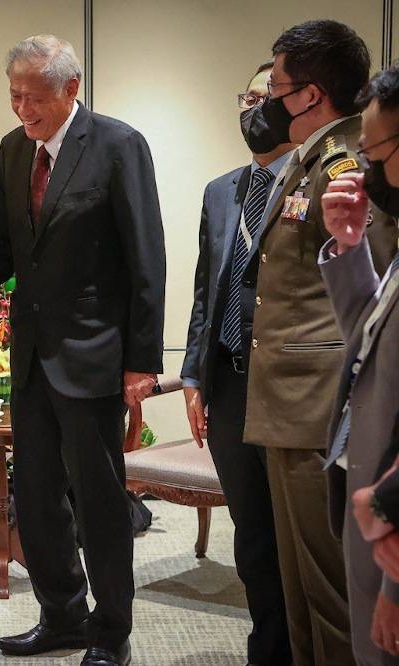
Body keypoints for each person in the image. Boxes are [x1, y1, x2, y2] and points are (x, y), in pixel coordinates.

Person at [0, 35, 165, 666]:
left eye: (32, 96)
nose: (21, 109)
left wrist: (142, 360)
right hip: (30, 359)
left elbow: (146, 258)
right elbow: (1, 248)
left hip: (94, 356)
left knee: (99, 503)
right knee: (35, 497)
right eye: (13, 96)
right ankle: (63, 616)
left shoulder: (117, 145)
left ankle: (111, 632)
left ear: (71, 89)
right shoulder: (13, 149)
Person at [241, 19, 398, 665]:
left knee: (334, 595)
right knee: (298, 588)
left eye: (274, 87)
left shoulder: (344, 162)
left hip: (314, 406)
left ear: (308, 94)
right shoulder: (308, 161)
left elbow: (379, 294)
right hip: (286, 405)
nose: (265, 102)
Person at [180, 61, 293, 665]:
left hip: (290, 392)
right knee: (250, 534)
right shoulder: (220, 190)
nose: (251, 108)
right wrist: (195, 373)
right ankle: (265, 644)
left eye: (263, 96)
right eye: (244, 96)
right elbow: (208, 291)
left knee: (294, 535)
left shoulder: (313, 181)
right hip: (228, 385)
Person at [319, 65, 399, 663]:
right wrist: (349, 247)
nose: (366, 172)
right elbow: (369, 346)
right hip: (362, 473)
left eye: (375, 153)